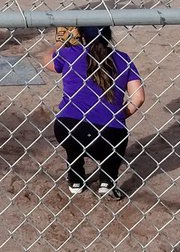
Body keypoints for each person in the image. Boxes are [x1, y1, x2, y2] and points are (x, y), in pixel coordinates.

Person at [43, 25, 145, 199]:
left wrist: (60, 43)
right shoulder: (122, 58)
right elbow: (139, 98)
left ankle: (76, 179)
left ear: (81, 35)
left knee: (74, 144)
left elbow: (47, 61)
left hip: (69, 128)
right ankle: (107, 182)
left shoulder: (71, 53)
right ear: (108, 35)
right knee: (113, 145)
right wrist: (118, 116)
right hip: (109, 134)